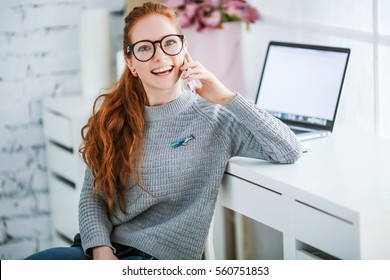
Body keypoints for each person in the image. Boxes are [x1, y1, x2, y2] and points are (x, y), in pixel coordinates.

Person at [26, 2, 301, 260]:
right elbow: (93, 196)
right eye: (145, 48)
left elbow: (288, 149)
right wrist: (101, 251)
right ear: (131, 62)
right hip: (101, 250)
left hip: (158, 260)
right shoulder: (112, 117)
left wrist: (228, 97)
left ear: (184, 49)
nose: (160, 56)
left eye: (170, 43)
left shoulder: (214, 119)